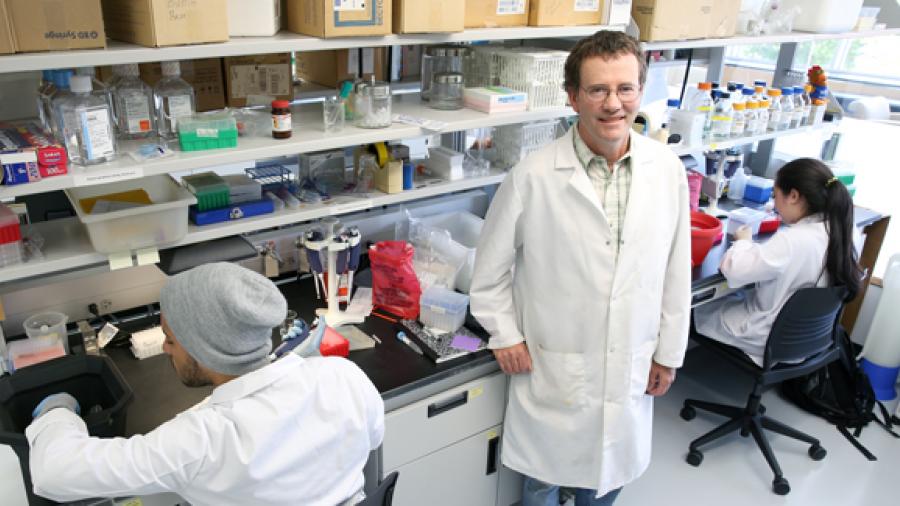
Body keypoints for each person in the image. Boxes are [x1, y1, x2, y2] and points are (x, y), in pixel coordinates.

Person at [469, 30, 691, 505]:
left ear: (640, 91)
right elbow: (488, 273)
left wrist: (669, 352)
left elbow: (676, 272)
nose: (614, 104)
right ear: (573, 98)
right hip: (555, 369)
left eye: (625, 88)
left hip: (632, 362)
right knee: (543, 485)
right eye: (598, 90)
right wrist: (505, 334)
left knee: (606, 485)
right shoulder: (533, 176)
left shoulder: (666, 170)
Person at [26, 262, 384, 506]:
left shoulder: (200, 441)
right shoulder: (342, 377)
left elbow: (53, 472)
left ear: (204, 347)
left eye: (170, 338)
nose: (165, 348)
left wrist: (57, 411)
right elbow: (372, 441)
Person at [694, 157, 862, 365]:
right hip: (807, 338)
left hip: (766, 337)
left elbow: (734, 269)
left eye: (775, 195)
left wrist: (743, 243)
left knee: (695, 308)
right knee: (739, 293)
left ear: (793, 196)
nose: (774, 204)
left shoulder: (793, 241)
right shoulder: (845, 230)